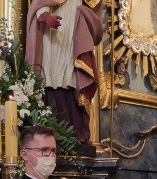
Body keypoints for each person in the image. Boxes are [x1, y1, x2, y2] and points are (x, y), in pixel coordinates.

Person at [25, 0, 103, 146]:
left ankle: (76, 130)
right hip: (53, 35)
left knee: (73, 78)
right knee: (54, 77)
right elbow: (39, 3)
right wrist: (45, 15)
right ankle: (56, 131)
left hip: (73, 31)